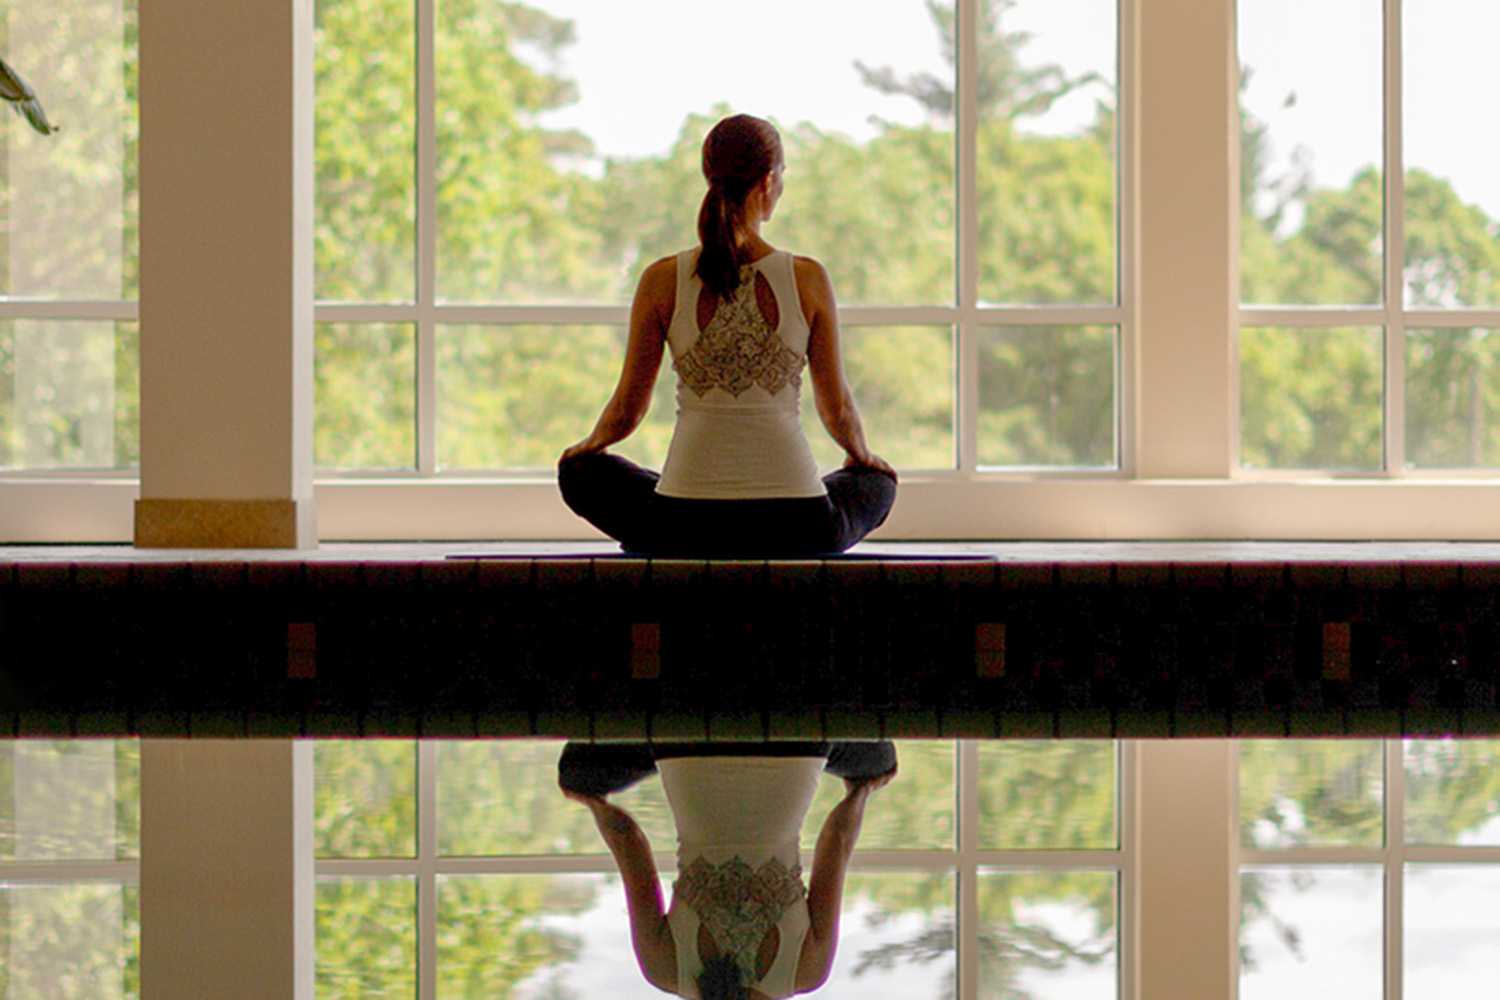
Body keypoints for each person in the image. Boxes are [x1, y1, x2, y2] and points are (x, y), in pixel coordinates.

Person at [557, 113, 897, 556]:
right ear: (768, 181)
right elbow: (837, 409)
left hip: (680, 526)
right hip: (800, 526)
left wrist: (586, 449)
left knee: (580, 474)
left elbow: (628, 410)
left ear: (708, 176)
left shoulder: (661, 279)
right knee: (877, 483)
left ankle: (687, 491)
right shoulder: (808, 278)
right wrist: (863, 457)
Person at [559, 740, 897, 999]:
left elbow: (836, 840)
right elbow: (627, 838)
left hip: (797, 743)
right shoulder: (664, 968)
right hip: (682, 743)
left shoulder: (807, 971)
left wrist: (862, 791)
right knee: (576, 774)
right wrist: (592, 801)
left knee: (882, 761)